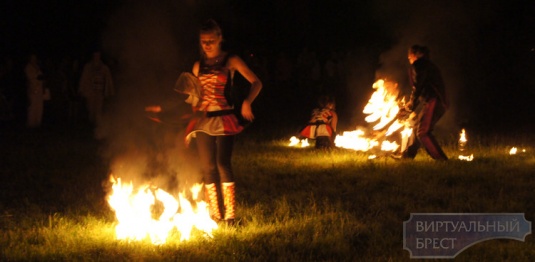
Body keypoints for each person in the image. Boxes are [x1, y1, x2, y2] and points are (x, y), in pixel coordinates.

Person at [185, 19, 262, 224]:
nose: (207, 45)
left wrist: (247, 102)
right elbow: (195, 97)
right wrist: (184, 110)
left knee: (222, 164)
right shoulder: (197, 66)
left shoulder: (231, 60)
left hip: (224, 118)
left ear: (220, 38)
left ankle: (230, 216)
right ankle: (215, 215)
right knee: (208, 166)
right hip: (204, 121)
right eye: (203, 41)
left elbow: (256, 82)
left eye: (211, 40)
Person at [397, 45, 448, 160]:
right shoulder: (426, 64)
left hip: (434, 100)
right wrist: (410, 107)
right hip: (433, 100)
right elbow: (421, 89)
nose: (409, 59)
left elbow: (418, 87)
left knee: (423, 132)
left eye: (409, 56)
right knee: (417, 128)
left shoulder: (419, 64)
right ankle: (407, 156)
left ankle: (442, 160)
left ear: (414, 55)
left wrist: (410, 105)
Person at [79, 51, 114, 125]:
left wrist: (109, 91)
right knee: (91, 108)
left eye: (98, 55)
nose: (96, 57)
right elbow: (84, 78)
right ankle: (92, 122)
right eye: (95, 55)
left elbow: (108, 79)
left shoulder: (104, 68)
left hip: (100, 92)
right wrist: (82, 89)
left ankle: (97, 126)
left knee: (98, 109)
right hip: (90, 91)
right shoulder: (88, 67)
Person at [24, 54, 45, 128]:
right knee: (32, 106)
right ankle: (31, 123)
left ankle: (38, 122)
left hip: (39, 90)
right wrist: (38, 79)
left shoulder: (37, 67)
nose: (34, 59)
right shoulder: (28, 67)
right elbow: (32, 78)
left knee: (39, 106)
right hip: (33, 90)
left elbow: (41, 77)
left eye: (35, 58)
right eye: (33, 58)